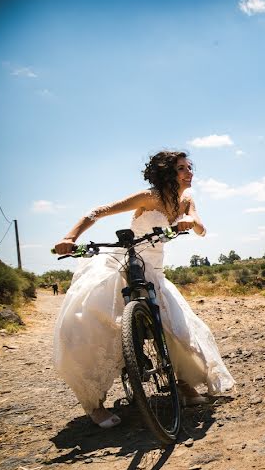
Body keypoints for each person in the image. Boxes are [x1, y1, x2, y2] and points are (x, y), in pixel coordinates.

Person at [53, 151, 235, 428]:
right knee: (93, 326)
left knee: (179, 329)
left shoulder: (186, 199)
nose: (189, 173)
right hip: (126, 265)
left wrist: (190, 221)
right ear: (166, 174)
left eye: (189, 168)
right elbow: (98, 211)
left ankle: (182, 385)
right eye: (181, 169)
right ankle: (95, 405)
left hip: (156, 274)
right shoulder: (148, 197)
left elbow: (201, 228)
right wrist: (70, 237)